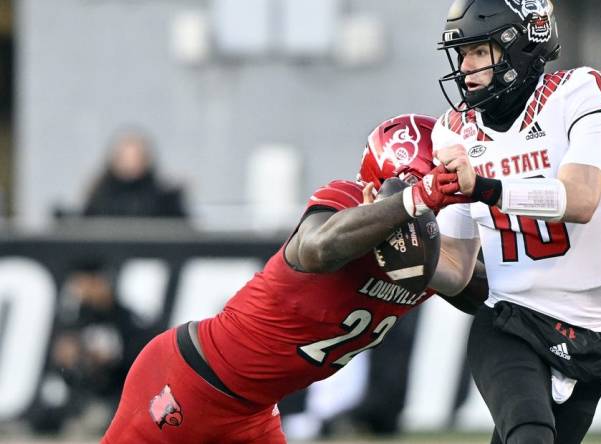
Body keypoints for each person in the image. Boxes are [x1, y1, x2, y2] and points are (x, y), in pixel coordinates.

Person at [101, 114, 472, 443]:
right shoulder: (345, 202)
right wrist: (415, 201)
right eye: (437, 190)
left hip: (254, 412)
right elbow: (318, 248)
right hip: (191, 382)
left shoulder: (427, 256)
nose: (440, 207)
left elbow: (484, 288)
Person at [425, 1, 601, 443]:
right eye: (461, 53)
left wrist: (487, 187)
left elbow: (580, 199)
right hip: (509, 322)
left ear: (520, 46)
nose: (464, 67)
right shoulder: (453, 130)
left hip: (591, 335)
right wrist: (401, 250)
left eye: (477, 51)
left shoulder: (583, 94)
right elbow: (457, 267)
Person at [28, 260, 152, 434]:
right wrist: (68, 359)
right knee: (45, 418)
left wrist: (111, 358)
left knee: (102, 420)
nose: (79, 292)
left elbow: (143, 363)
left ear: (99, 282)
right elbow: (65, 370)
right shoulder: (78, 319)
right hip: (85, 397)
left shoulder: (128, 319)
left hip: (120, 395)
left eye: (82, 284)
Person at [82, 128, 188, 219]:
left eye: (135, 158)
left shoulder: (164, 198)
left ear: (145, 160)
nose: (130, 164)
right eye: (125, 158)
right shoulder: (100, 197)